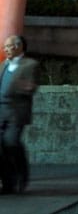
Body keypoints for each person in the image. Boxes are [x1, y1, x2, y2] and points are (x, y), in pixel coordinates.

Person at [1, 34, 39, 194]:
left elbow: (31, 87)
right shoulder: (2, 65)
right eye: (5, 47)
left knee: (11, 142)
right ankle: (8, 182)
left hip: (16, 111)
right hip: (0, 110)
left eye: (9, 46)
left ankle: (21, 173)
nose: (6, 49)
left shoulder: (30, 64)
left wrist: (22, 86)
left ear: (19, 46)